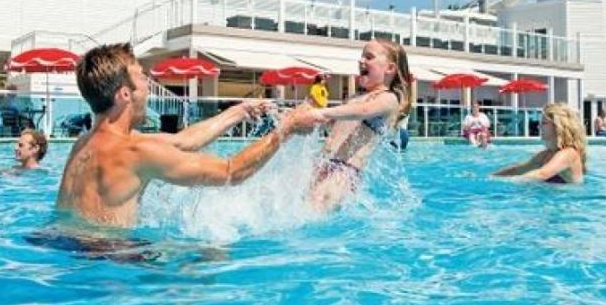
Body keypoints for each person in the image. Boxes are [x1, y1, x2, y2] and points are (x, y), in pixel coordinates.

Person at [56, 43, 315, 227]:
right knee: (212, 255)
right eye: (143, 77)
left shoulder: (83, 143)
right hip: (113, 265)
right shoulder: (137, 151)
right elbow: (231, 172)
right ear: (125, 94)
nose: (149, 84)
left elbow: (184, 141)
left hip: (67, 249)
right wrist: (287, 128)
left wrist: (237, 112)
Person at [304, 39, 412, 211]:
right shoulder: (354, 98)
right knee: (305, 205)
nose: (361, 61)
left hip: (344, 172)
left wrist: (321, 113)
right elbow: (334, 128)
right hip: (324, 164)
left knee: (315, 211)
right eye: (362, 56)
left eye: (369, 57)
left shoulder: (388, 98)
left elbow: (364, 111)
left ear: (390, 68)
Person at [492, 102, 586, 184]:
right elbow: (517, 170)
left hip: (570, 203)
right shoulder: (545, 155)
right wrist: (492, 177)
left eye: (544, 123)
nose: (539, 127)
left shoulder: (569, 153)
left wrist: (511, 181)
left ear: (558, 126)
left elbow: (542, 173)